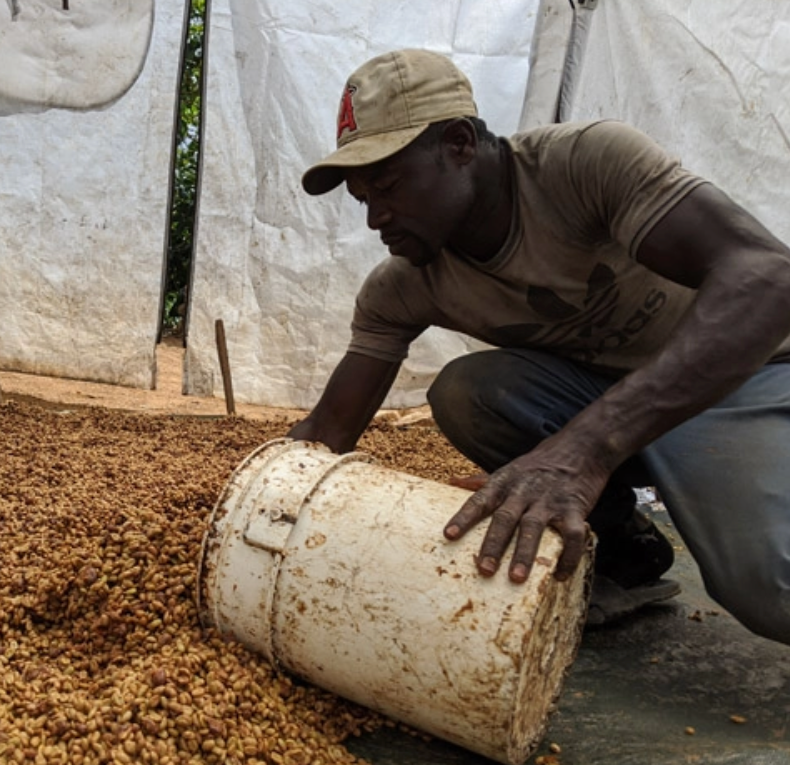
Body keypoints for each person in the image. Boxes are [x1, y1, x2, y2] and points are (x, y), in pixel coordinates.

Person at [288, 48, 790, 642]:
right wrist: (235, 510)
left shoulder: (583, 165)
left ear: (458, 144)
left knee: (771, 591)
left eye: (389, 186)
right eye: (362, 198)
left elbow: (767, 278)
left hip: (738, 381)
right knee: (469, 391)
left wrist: (585, 450)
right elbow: (325, 435)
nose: (376, 218)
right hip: (611, 403)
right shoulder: (405, 285)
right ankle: (621, 551)